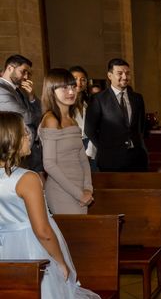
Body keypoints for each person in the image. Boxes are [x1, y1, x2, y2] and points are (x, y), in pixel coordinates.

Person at [0, 112, 103, 299]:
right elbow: (42, 230)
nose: (30, 137)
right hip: (33, 251)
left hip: (6, 250)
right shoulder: (27, 178)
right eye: (25, 134)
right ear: (12, 140)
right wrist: (60, 263)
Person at [38, 69, 93, 214]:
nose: (71, 92)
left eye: (73, 86)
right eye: (64, 87)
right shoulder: (51, 120)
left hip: (81, 190)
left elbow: (83, 160)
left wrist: (88, 188)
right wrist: (79, 194)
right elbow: (49, 164)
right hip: (61, 191)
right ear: (51, 90)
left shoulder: (73, 121)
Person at [85, 58, 148, 172]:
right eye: (120, 73)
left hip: (137, 159)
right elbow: (89, 129)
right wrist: (105, 147)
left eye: (127, 73)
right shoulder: (98, 99)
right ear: (110, 75)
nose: (125, 77)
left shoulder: (137, 98)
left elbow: (141, 125)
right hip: (110, 160)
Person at [0, 54, 44, 175]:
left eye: (28, 73)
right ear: (10, 68)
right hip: (14, 149)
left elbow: (39, 113)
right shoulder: (1, 90)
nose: (26, 77)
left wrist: (32, 97)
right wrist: (39, 117)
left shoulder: (20, 90)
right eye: (23, 72)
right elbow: (27, 117)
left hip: (30, 149)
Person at [69, 65, 98, 171]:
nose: (79, 83)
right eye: (75, 79)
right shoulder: (63, 103)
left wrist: (89, 152)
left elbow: (96, 128)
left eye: (83, 80)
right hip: (70, 147)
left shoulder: (93, 102)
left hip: (91, 145)